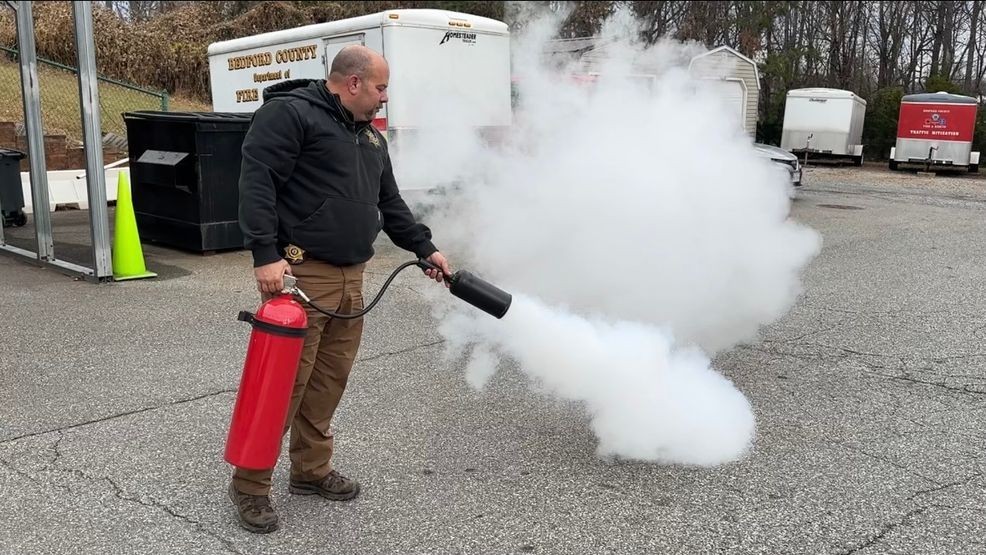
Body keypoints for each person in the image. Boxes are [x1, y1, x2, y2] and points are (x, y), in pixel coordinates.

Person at [229, 45, 453, 534]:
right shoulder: (290, 115)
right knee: (284, 385)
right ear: (352, 83)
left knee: (329, 381)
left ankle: (310, 471)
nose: (384, 99)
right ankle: (250, 485)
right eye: (380, 88)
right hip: (301, 272)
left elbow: (389, 202)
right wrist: (264, 253)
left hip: (353, 276)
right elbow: (257, 180)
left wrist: (424, 248)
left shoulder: (370, 139)